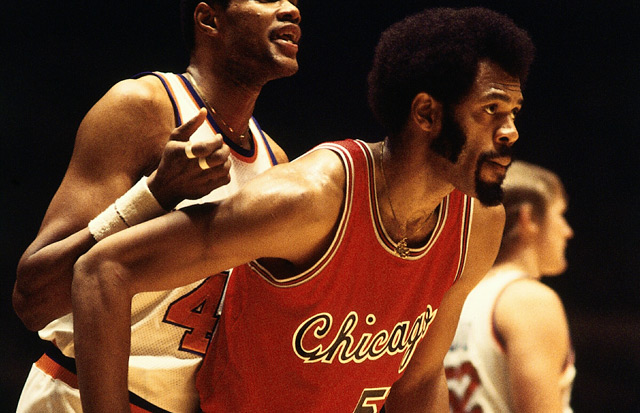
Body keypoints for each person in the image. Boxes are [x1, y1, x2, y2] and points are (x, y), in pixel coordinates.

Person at [71, 7, 535, 412]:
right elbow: (103, 270)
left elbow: (418, 381)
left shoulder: (478, 222)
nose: (510, 131)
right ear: (427, 114)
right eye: (491, 110)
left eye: (514, 111)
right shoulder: (310, 199)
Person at [13, 0, 301, 411]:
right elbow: (33, 299)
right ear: (209, 19)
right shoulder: (141, 106)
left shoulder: (277, 164)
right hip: (76, 395)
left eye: (293, 0)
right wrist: (155, 194)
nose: (291, 9)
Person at [444, 161, 575, 412]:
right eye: (560, 215)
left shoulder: (454, 296)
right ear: (528, 218)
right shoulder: (529, 300)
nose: (567, 231)